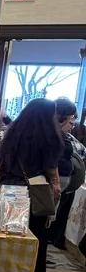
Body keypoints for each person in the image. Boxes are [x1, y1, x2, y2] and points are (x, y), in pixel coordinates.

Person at [0, 98, 65, 272]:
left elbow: (1, 160)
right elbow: (51, 168)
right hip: (34, 192)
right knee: (34, 238)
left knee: (10, 235)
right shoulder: (47, 137)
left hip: (9, 189)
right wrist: (55, 186)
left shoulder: (13, 134)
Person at [50, 98, 86, 248]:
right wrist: (56, 182)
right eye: (70, 121)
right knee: (49, 218)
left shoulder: (66, 136)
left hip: (64, 184)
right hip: (54, 184)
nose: (71, 126)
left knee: (55, 217)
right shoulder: (52, 135)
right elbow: (52, 163)